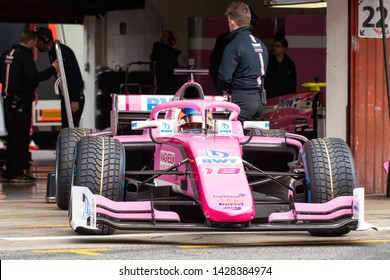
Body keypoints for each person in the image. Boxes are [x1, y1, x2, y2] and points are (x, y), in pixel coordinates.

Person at [0, 28, 58, 182]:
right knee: (20, 138)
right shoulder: (25, 56)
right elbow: (33, 77)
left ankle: (9, 170)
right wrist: (53, 69)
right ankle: (17, 171)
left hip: (6, 101)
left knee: (10, 137)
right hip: (20, 103)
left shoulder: (6, 54)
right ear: (31, 41)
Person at [216, 2, 268, 123]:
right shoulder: (261, 44)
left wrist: (222, 89)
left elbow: (224, 77)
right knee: (255, 141)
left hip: (240, 101)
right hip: (258, 101)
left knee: (236, 140)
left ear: (232, 22)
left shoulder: (234, 46)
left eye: (228, 22)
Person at [36, 26, 84, 128]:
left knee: (71, 130)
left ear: (43, 40)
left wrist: (75, 99)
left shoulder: (62, 51)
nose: (36, 45)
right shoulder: (53, 52)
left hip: (73, 98)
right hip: (66, 97)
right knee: (66, 129)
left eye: (37, 41)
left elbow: (74, 75)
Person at [209, 6, 258, 93]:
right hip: (249, 93)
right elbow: (215, 66)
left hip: (240, 93)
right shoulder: (257, 43)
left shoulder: (233, 43)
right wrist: (221, 88)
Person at [150, 30, 182, 94]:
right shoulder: (168, 56)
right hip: (167, 95)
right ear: (172, 41)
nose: (178, 42)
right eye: (176, 39)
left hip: (161, 94)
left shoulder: (160, 54)